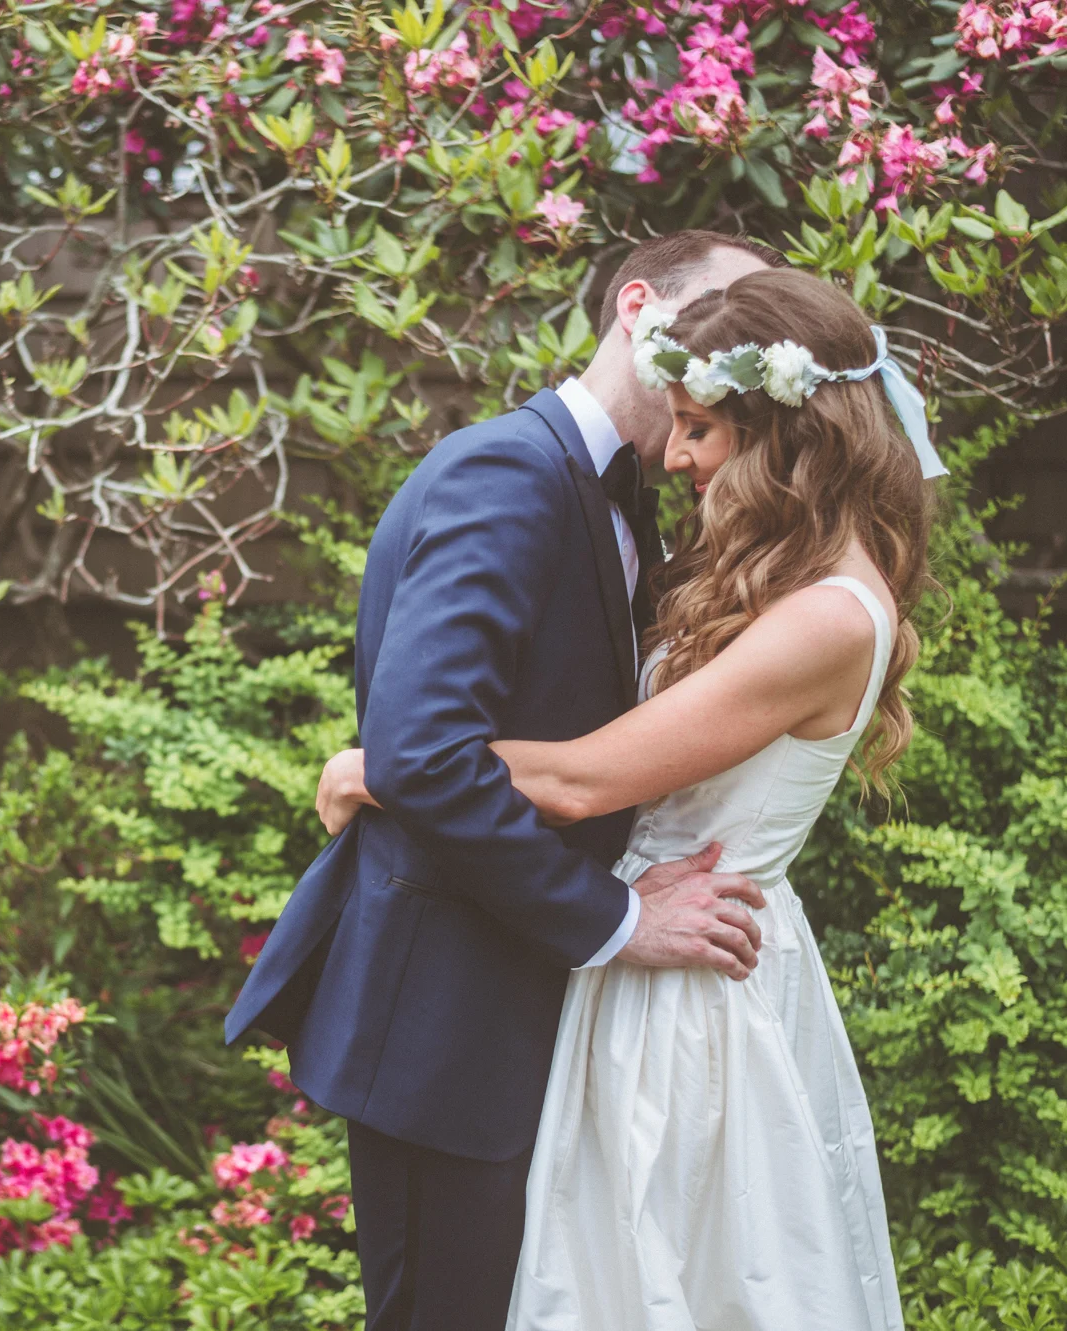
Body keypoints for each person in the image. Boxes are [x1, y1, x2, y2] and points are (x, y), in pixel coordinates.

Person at [315, 267, 947, 1330]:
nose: (674, 452)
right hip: (650, 958)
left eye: (701, 427)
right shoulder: (781, 580)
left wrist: (376, 766)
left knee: (678, 1284)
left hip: (693, 986)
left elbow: (581, 777)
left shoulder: (828, 617)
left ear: (789, 436)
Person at [223, 231, 785, 1331]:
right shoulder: (507, 472)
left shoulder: (626, 495)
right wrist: (616, 918)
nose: (743, 343)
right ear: (638, 307)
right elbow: (426, 751)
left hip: (521, 1008)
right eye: (728, 310)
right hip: (446, 1013)